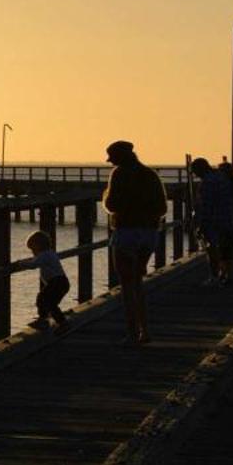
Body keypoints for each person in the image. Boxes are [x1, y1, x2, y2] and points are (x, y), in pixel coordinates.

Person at [102, 140, 166, 346]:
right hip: (148, 234)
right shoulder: (150, 175)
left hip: (126, 233)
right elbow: (163, 208)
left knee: (127, 286)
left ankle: (131, 333)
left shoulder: (119, 174)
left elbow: (111, 205)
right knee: (138, 283)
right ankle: (145, 331)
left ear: (118, 158)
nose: (110, 163)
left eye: (112, 159)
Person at [191, 157, 233, 286]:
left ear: (200, 169)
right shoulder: (222, 178)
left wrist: (200, 224)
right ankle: (227, 275)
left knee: (212, 249)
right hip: (227, 218)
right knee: (226, 249)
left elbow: (206, 206)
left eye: (195, 171)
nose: (195, 175)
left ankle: (214, 276)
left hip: (213, 221)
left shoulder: (207, 182)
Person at [27, 230, 69, 331]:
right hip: (61, 282)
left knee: (43, 299)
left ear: (39, 246)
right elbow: (36, 261)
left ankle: (54, 321)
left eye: (33, 249)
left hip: (56, 282)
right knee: (49, 303)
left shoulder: (44, 255)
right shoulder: (50, 253)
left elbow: (33, 265)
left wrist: (20, 264)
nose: (33, 252)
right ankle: (54, 321)